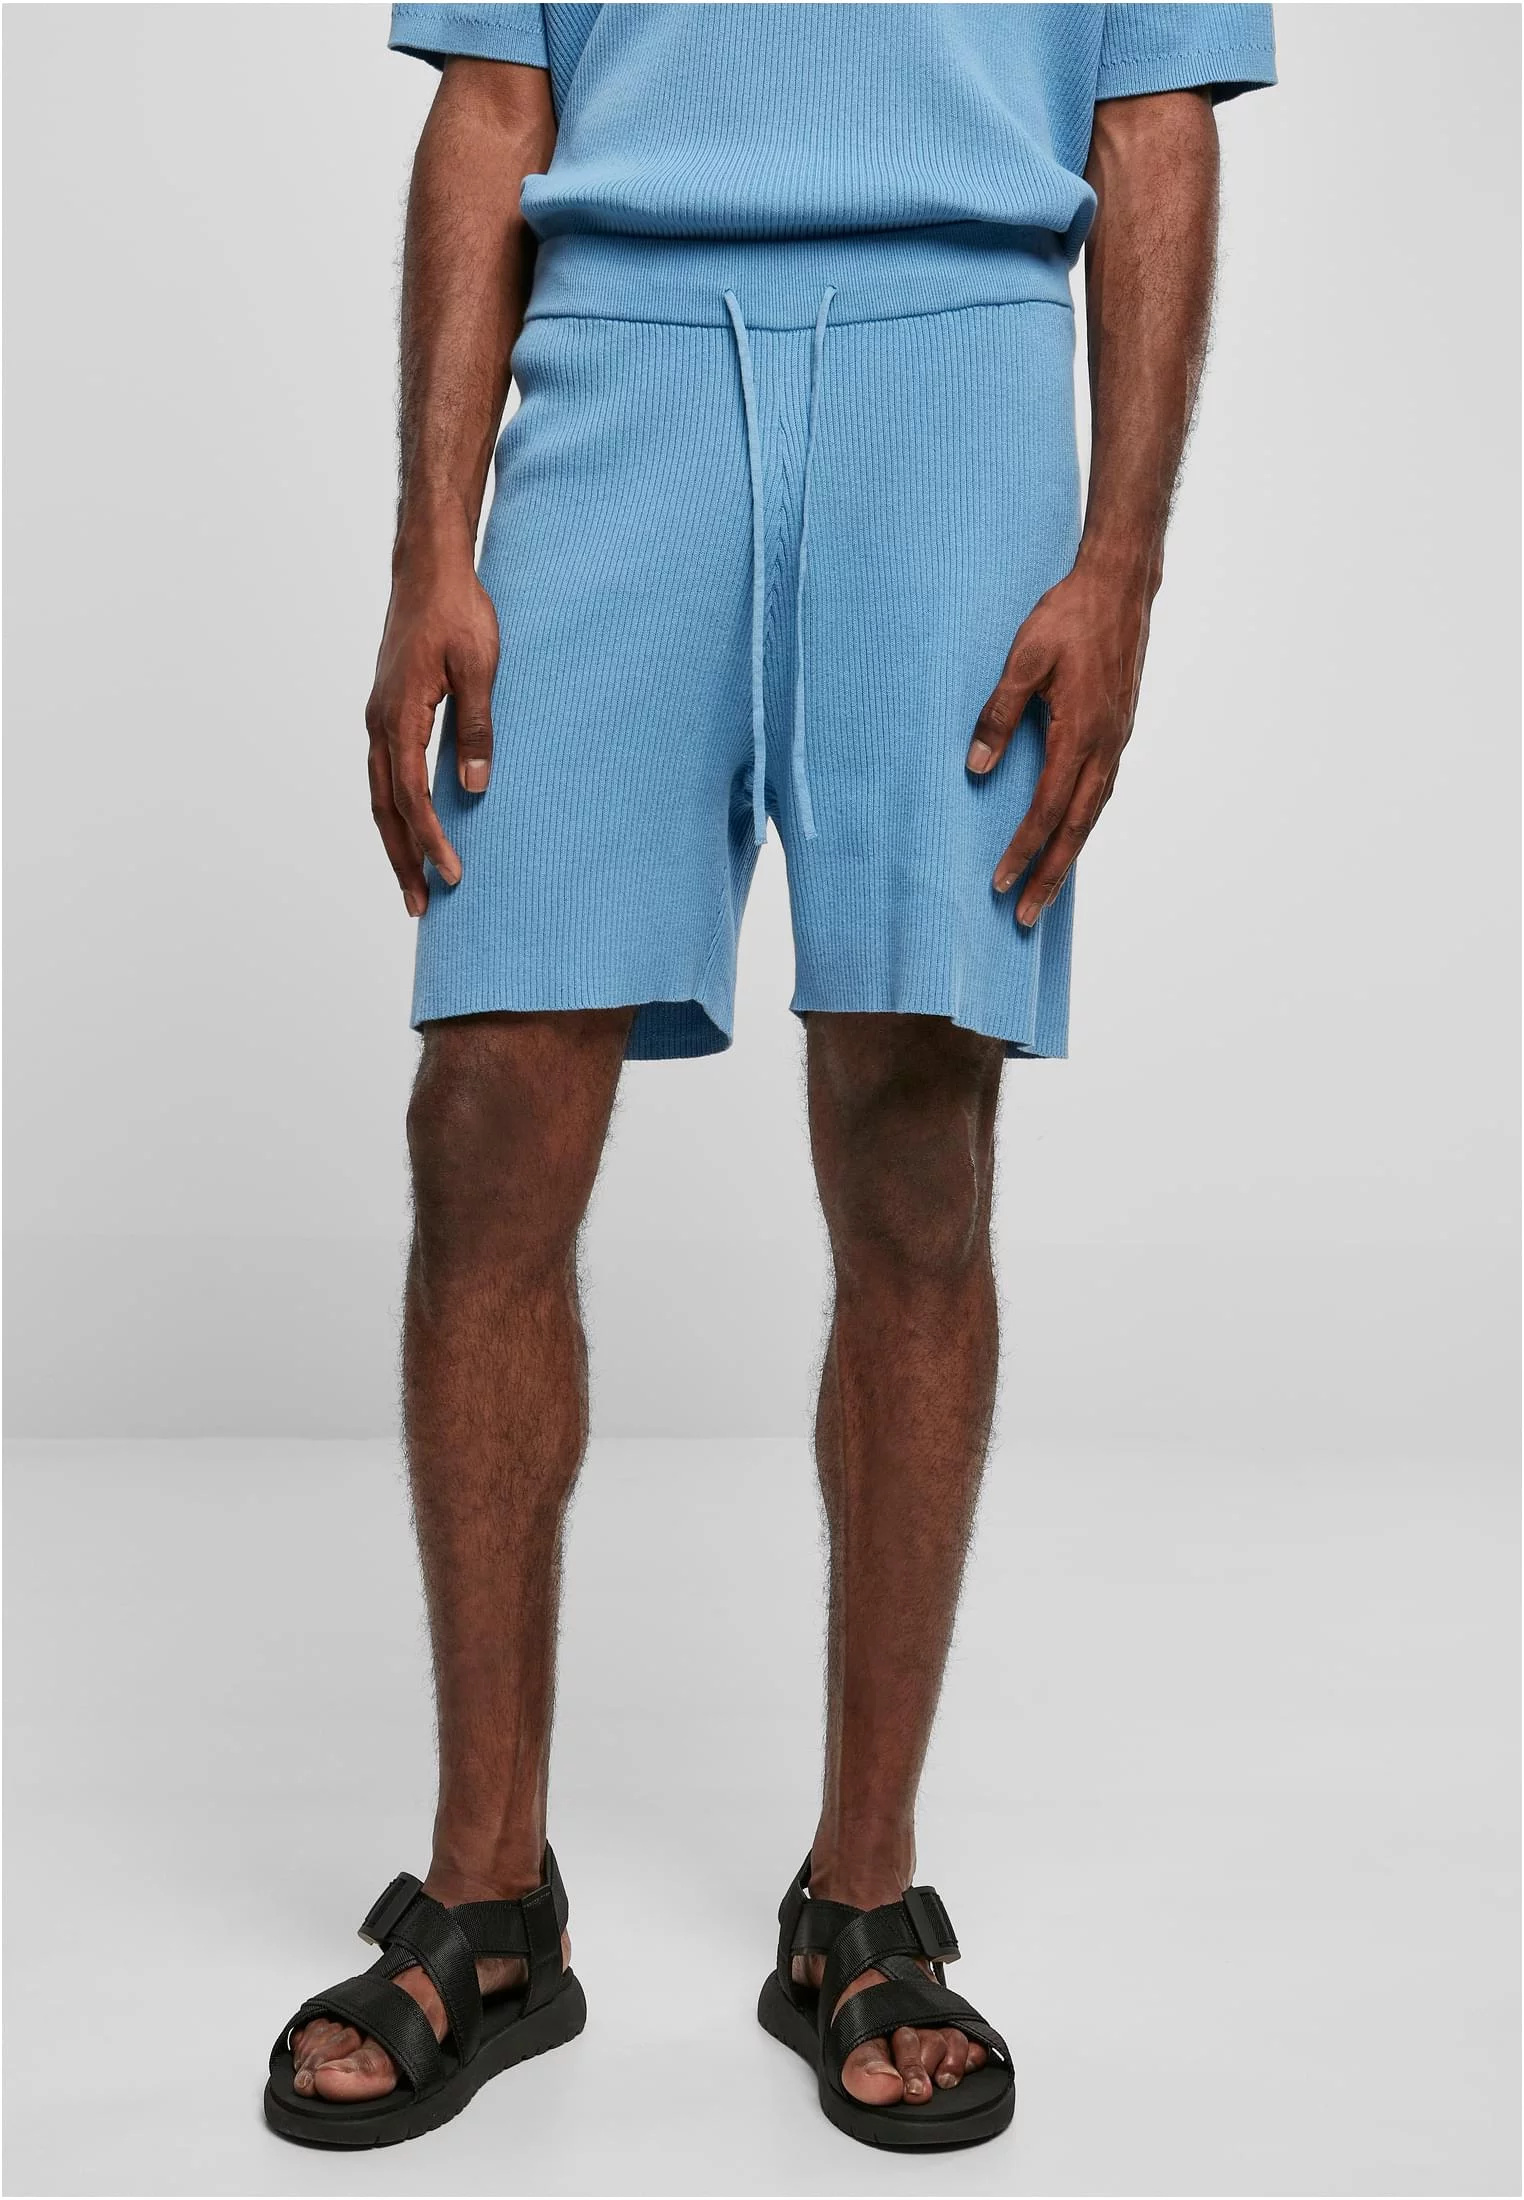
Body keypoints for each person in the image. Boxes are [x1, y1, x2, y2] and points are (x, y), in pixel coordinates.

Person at [263, 0, 1276, 2153]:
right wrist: (430, 539)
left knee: (918, 1143)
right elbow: (494, 102)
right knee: (487, 1114)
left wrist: (1121, 561)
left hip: (962, 373)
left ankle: (862, 1896)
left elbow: (1156, 121)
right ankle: (485, 1892)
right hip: (613, 358)